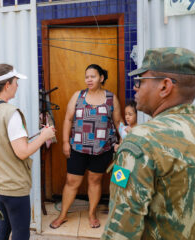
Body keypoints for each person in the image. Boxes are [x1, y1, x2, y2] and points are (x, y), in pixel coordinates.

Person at [101, 47, 195, 239]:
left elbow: (120, 230)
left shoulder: (141, 142)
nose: (135, 87)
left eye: (140, 81)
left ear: (165, 87)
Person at [0, 64, 56, 240]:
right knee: (20, 234)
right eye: (16, 82)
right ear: (8, 85)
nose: (18, 86)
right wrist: (44, 136)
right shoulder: (11, 113)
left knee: (3, 228)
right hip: (13, 187)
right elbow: (22, 152)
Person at [50, 64, 123, 229]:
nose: (89, 80)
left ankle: (92, 214)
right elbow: (68, 119)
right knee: (71, 181)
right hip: (78, 147)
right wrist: (65, 142)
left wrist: (124, 141)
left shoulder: (111, 98)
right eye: (87, 77)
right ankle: (62, 215)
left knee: (95, 181)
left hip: (102, 148)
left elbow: (118, 122)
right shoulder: (78, 96)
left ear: (101, 78)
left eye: (93, 76)